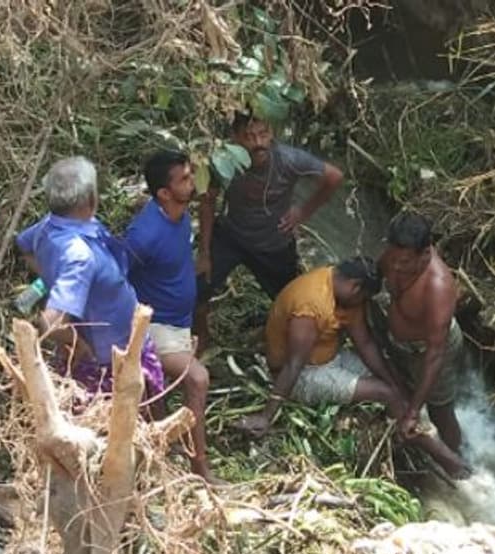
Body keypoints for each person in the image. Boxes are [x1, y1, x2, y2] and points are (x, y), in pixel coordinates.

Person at [237, 258, 467, 477]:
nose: (363, 305)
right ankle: (445, 458)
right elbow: (293, 364)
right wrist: (267, 416)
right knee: (384, 393)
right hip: (302, 375)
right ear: (356, 288)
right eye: (364, 298)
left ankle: (419, 432)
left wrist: (395, 382)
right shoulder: (310, 305)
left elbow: (365, 344)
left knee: (396, 387)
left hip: (330, 358)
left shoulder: (346, 295)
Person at [15, 156, 165, 400]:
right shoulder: (79, 257)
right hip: (109, 363)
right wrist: (83, 349)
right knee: (130, 424)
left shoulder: (49, 226)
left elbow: (22, 244)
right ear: (91, 199)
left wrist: (50, 276)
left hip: (124, 344)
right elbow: (51, 323)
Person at [194, 112, 344, 344]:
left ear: (271, 133)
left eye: (263, 134)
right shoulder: (223, 163)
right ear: (235, 139)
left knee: (291, 302)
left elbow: (334, 177)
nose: (258, 143)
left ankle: (278, 336)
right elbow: (207, 202)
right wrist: (204, 252)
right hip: (231, 235)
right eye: (249, 137)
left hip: (273, 242)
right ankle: (201, 335)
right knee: (197, 289)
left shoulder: (288, 160)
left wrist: (303, 212)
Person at [123, 149, 218, 482]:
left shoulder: (179, 215)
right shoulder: (144, 234)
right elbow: (118, 275)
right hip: (155, 323)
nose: (192, 183)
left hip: (179, 321)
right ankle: (200, 467)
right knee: (197, 378)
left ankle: (162, 450)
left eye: (190, 175)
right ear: (164, 193)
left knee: (161, 389)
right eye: (185, 180)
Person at [379, 212, 466, 455]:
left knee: (440, 410)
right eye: (393, 258)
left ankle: (458, 457)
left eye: (405, 262)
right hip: (401, 342)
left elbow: (435, 355)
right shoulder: (397, 253)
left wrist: (413, 412)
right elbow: (376, 274)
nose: (396, 266)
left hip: (430, 350)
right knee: (399, 382)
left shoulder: (437, 287)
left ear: (426, 254)